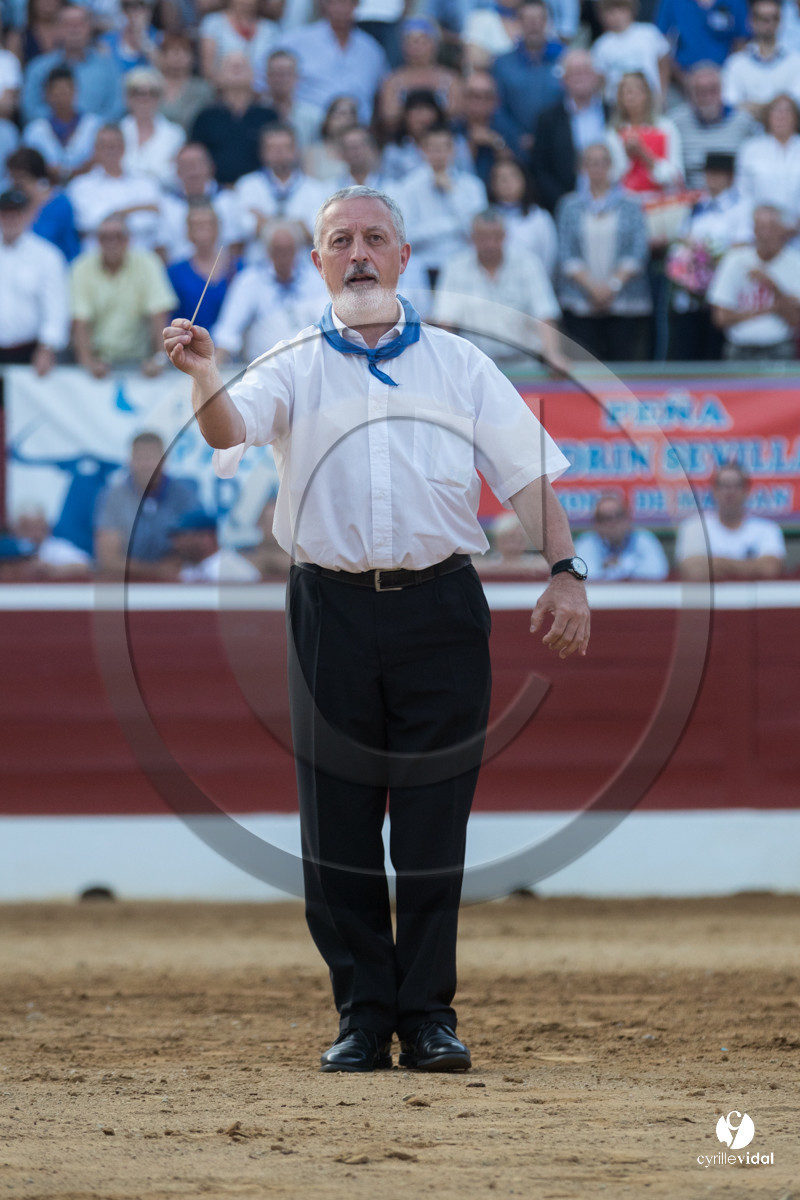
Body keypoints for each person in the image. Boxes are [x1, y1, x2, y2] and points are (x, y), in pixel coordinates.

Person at [163, 184, 590, 1074]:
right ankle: (362, 1015)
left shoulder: (460, 362)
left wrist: (565, 572)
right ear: (320, 262)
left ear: (402, 256)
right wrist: (204, 374)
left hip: (441, 607)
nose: (358, 254)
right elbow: (228, 429)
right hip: (331, 607)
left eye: (373, 238)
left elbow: (526, 476)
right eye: (340, 241)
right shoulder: (289, 361)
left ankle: (428, 1016)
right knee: (338, 825)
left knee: (435, 822)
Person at [556, 142, 652, 361]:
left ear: (611, 166)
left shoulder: (631, 203)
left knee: (622, 366)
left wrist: (612, 286)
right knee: (587, 368)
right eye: (590, 163)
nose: (596, 168)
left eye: (601, 162)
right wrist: (592, 288)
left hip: (624, 301)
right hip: (581, 301)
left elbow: (638, 250)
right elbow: (566, 253)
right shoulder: (569, 205)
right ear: (582, 168)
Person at [432, 207, 562, 365]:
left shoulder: (528, 263)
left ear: (505, 236)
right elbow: (445, 320)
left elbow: (544, 313)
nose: (490, 244)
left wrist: (552, 353)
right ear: (472, 238)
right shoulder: (455, 267)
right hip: (475, 363)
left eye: (496, 237)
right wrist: (446, 360)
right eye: (483, 238)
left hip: (525, 363)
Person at [666, 151, 751, 360]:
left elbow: (743, 246)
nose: (712, 179)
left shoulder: (742, 206)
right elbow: (680, 240)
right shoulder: (696, 205)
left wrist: (708, 259)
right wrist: (686, 265)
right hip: (690, 293)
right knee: (686, 350)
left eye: (718, 174)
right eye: (709, 173)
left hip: (721, 291)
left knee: (714, 352)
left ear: (730, 177)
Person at [70, 211, 178, 376]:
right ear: (97, 241)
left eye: (118, 236)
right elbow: (80, 321)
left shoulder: (148, 263)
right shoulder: (81, 268)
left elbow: (159, 313)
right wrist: (88, 363)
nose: (112, 243)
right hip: (98, 359)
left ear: (129, 239)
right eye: (105, 237)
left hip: (141, 358)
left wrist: (159, 358)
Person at [213, 220, 328, 361]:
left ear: (297, 250)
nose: (283, 256)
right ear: (268, 251)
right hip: (264, 367)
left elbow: (328, 325)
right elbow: (229, 330)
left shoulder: (315, 278)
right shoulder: (249, 281)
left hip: (311, 364)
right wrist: (215, 363)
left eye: (289, 249)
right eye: (278, 250)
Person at [94, 430, 198, 580]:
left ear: (164, 460)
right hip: (124, 582)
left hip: (173, 584)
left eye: (152, 458)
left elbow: (196, 550)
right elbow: (107, 559)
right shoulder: (113, 496)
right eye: (140, 458)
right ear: (130, 461)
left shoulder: (184, 496)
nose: (146, 465)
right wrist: (156, 571)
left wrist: (172, 565)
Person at [393, 125, 486, 288]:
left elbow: (478, 232)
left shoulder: (472, 185)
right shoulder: (408, 187)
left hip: (464, 264)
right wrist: (449, 224)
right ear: (423, 151)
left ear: (453, 150)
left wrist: (453, 193)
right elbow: (406, 236)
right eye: (434, 148)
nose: (440, 154)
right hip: (424, 267)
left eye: (444, 148)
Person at [707, 203, 800, 359]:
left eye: (772, 228)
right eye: (761, 228)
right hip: (739, 347)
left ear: (783, 231)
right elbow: (720, 318)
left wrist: (772, 285)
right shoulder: (735, 260)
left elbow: (795, 320)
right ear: (753, 230)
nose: (766, 235)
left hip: (779, 347)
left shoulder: (795, 263)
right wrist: (768, 310)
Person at [275, 0, 389, 126]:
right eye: (336, 2)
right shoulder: (296, 41)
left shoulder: (371, 50)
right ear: (325, 4)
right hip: (309, 127)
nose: (342, 9)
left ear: (356, 5)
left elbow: (381, 94)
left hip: (358, 129)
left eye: (348, 3)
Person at [675, 462, 786, 580]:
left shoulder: (767, 529)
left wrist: (715, 563)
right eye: (724, 485)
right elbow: (693, 570)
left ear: (747, 490)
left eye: (737, 485)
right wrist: (751, 565)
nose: (730, 491)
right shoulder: (694, 527)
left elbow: (771, 569)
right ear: (714, 490)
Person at [0, 186, 69, 373]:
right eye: (5, 213)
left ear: (28, 215)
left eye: (16, 213)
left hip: (29, 352)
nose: (11, 219)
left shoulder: (47, 255)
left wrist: (48, 347)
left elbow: (55, 306)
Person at [531, 48, 608, 215]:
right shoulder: (548, 119)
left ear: (597, 76)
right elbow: (540, 169)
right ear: (563, 80)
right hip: (566, 208)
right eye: (574, 72)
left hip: (612, 205)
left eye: (585, 71)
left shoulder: (613, 112)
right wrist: (565, 204)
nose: (580, 77)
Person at [67, 122, 164, 251]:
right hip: (97, 256)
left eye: (115, 145)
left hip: (140, 254)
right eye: (104, 145)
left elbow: (151, 221)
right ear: (95, 150)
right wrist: (136, 209)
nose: (110, 150)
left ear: (124, 147)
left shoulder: (146, 183)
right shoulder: (80, 186)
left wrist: (113, 215)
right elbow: (88, 223)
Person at [21, 4, 124, 124]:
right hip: (50, 132)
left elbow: (117, 107)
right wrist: (58, 125)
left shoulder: (108, 67)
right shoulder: (38, 68)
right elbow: (30, 109)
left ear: (90, 28)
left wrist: (91, 127)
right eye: (68, 24)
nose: (74, 30)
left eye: (80, 24)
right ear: (57, 29)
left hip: (98, 133)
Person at [235, 122, 328, 252]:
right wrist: (298, 225)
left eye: (285, 147)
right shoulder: (247, 185)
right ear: (262, 152)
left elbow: (316, 234)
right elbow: (243, 229)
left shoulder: (315, 189)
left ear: (296, 151)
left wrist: (265, 223)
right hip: (259, 261)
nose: (279, 153)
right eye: (273, 148)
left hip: (302, 262)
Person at [190, 53, 279, 185]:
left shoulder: (268, 116)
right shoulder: (205, 117)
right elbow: (195, 157)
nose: (236, 67)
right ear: (217, 77)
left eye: (242, 65)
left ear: (253, 75)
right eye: (230, 66)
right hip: (217, 190)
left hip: (262, 190)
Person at [491, 0, 563, 159]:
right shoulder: (503, 64)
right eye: (528, 19)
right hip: (518, 150)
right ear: (518, 22)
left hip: (558, 148)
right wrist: (518, 137)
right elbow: (497, 107)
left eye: (539, 19)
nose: (534, 25)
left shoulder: (564, 59)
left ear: (547, 22)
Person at [670, 61, 759, 189]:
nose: (707, 97)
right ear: (690, 94)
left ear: (722, 90)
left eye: (712, 90)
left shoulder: (744, 122)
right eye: (700, 91)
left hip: (734, 195)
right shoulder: (675, 122)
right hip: (689, 195)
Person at [376, 16, 464, 139]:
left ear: (435, 44)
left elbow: (458, 113)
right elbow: (389, 116)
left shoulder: (451, 79)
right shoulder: (392, 81)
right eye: (411, 42)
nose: (417, 47)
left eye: (423, 41)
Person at [161, 141, 246, 264]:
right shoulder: (167, 205)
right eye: (186, 165)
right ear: (177, 171)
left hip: (222, 270)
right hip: (178, 271)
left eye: (197, 163)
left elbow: (235, 245)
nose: (192, 170)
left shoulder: (228, 200)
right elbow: (162, 248)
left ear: (211, 167)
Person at [22, 64, 101, 183]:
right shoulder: (34, 130)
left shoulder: (95, 125)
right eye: (56, 92)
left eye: (65, 91)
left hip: (88, 187)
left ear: (75, 91)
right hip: (46, 188)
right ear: (47, 94)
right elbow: (30, 169)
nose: (61, 98)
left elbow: (99, 161)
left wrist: (74, 172)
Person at [167, 202, 240, 329]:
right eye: (196, 225)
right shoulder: (175, 273)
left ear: (218, 227)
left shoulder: (239, 268)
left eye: (209, 223)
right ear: (188, 231)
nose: (203, 229)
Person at [735, 93, 800, 236]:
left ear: (796, 117)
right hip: (760, 231)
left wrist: (794, 226)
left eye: (787, 111)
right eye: (777, 111)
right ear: (768, 116)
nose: (782, 116)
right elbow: (743, 193)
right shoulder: (751, 149)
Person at [721, 0, 800, 114]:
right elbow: (731, 104)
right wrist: (776, 109)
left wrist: (752, 107)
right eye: (763, 18)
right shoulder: (735, 64)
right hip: (744, 126)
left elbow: (796, 104)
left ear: (781, 21)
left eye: (775, 18)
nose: (769, 23)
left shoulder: (796, 62)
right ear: (751, 21)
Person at [6, 145, 81, 261]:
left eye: (19, 178)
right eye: (12, 178)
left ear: (34, 176)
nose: (15, 183)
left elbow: (71, 246)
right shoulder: (13, 205)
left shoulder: (60, 205)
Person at [487, 157, 558, 277]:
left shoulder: (539, 217)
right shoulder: (486, 219)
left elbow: (549, 257)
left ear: (524, 180)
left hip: (533, 281)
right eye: (501, 178)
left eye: (512, 176)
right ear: (492, 184)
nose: (507, 183)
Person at [591, 0, 670, 106]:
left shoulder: (649, 33)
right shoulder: (600, 45)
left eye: (621, 10)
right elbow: (600, 80)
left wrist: (662, 93)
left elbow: (664, 63)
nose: (616, 16)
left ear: (631, 11)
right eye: (611, 12)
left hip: (651, 101)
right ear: (602, 16)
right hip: (617, 106)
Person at [575, 493, 669, 579]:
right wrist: (630, 565)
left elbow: (658, 571)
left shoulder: (644, 539)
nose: (612, 523)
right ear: (596, 523)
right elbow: (584, 575)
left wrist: (617, 564)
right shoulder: (586, 543)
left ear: (628, 518)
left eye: (618, 515)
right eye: (604, 518)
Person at [121, 66, 185, 186]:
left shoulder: (175, 134)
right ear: (127, 98)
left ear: (160, 98)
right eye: (137, 92)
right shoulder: (117, 132)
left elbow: (177, 178)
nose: (144, 98)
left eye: (152, 93)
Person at [655, 0, 749, 80]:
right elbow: (662, 48)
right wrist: (685, 80)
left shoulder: (736, 2)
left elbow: (741, 43)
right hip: (680, 82)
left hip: (726, 80)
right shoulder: (672, 2)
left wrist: (725, 78)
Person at [199, 0, 279, 91]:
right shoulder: (213, 23)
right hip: (222, 93)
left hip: (263, 93)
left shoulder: (271, 29)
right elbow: (208, 71)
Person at [169, 508, 262, 582]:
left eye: (183, 536)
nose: (177, 543)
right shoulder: (185, 569)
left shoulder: (238, 573)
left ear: (206, 538)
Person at [262, 49, 321, 149]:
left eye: (286, 73)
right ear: (267, 77)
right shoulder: (255, 114)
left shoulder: (313, 118)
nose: (280, 79)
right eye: (275, 73)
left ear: (297, 77)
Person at [157, 34, 215, 134]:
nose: (178, 56)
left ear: (193, 57)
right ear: (162, 56)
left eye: (184, 51)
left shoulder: (203, 89)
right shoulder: (150, 85)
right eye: (172, 50)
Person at [301, 94, 359, 182]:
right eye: (342, 113)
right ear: (328, 118)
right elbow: (309, 186)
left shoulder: (362, 151)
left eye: (352, 114)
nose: (347, 119)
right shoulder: (313, 153)